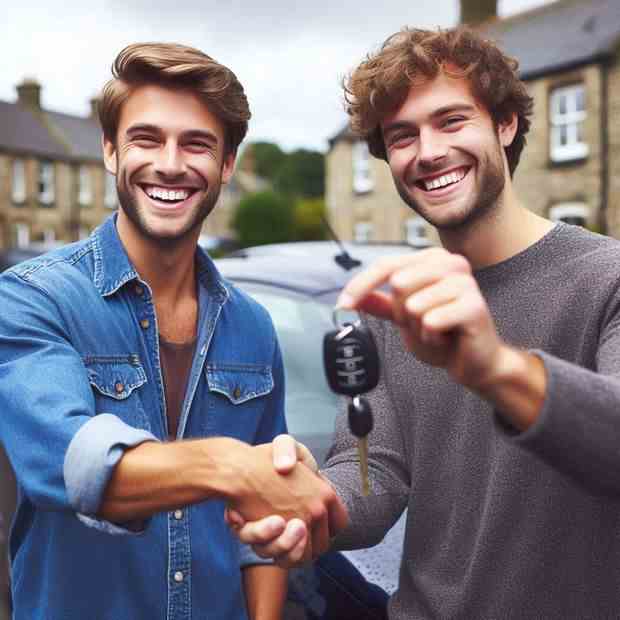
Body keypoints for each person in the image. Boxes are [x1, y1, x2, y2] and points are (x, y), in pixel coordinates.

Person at [231, 26, 620, 619]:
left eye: (452, 121)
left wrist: (493, 367)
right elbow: (375, 471)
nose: (428, 151)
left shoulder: (607, 278)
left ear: (506, 124)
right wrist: (311, 502)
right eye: (402, 136)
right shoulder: (396, 307)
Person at [0, 42, 346, 620]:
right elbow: (70, 466)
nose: (169, 163)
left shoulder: (253, 326)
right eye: (146, 139)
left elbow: (255, 534)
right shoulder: (33, 298)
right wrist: (237, 467)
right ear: (111, 151)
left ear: (228, 165)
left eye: (197, 144)